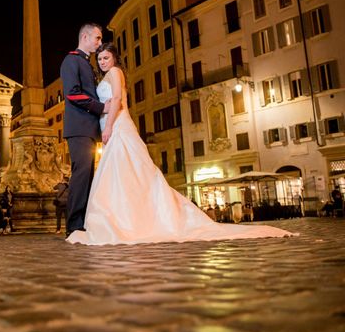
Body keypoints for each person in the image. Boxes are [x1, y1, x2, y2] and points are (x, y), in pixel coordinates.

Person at [67, 43, 296, 245]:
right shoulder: (107, 75)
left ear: (115, 59)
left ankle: (126, 220)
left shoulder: (116, 73)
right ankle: (127, 218)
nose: (102, 61)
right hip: (113, 125)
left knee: (128, 172)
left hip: (117, 125)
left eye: (106, 57)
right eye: (100, 59)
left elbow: (116, 99)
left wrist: (107, 128)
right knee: (126, 174)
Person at [60, 23, 110, 237]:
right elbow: (72, 93)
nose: (99, 43)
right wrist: (101, 107)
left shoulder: (84, 63)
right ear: (85, 37)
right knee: (81, 175)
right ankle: (73, 225)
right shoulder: (71, 60)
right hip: (79, 127)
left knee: (87, 175)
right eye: (97, 38)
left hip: (87, 127)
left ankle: (82, 223)